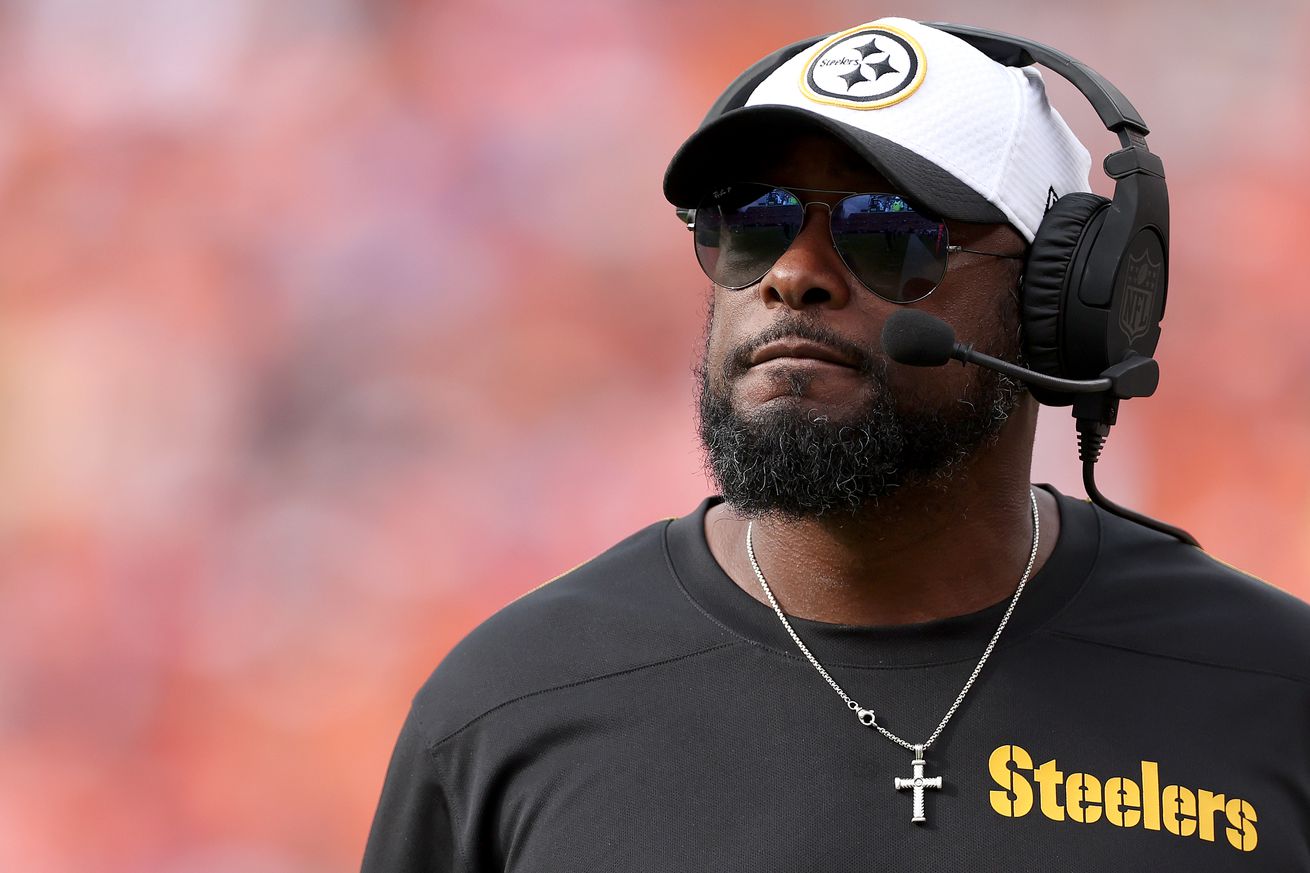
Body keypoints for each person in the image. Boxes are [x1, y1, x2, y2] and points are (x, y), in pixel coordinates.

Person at [361, 17, 1310, 871]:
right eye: (752, 221)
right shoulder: (511, 703)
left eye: (887, 231)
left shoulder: (1271, 689)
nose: (793, 273)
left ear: (1058, 301)